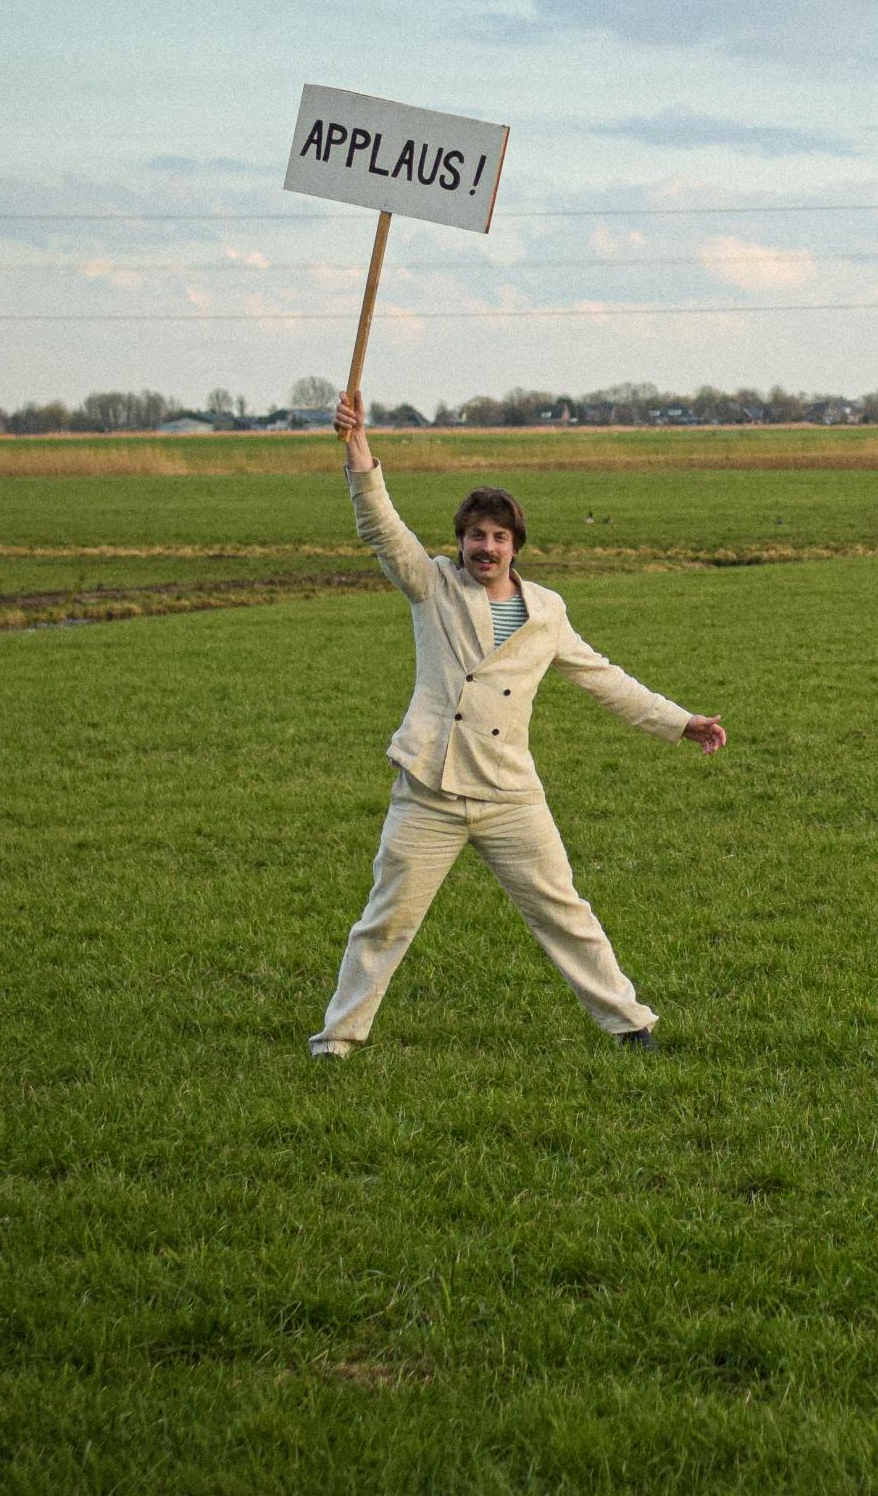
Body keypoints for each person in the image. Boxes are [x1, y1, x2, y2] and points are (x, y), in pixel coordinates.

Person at [309, 385, 725, 1057]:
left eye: (499, 538)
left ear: (515, 546)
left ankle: (631, 1024)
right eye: (476, 535)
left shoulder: (546, 611)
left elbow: (603, 678)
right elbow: (380, 526)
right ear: (462, 542)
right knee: (385, 923)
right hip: (431, 789)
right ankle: (338, 1038)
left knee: (564, 912)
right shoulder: (432, 585)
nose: (486, 547)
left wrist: (679, 722)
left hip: (508, 792)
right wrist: (358, 447)